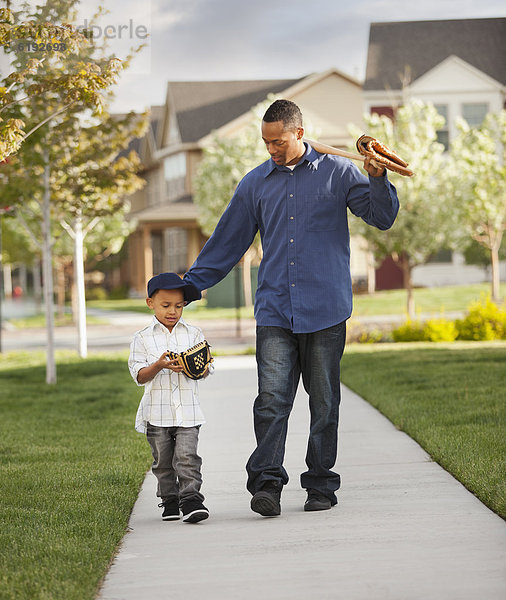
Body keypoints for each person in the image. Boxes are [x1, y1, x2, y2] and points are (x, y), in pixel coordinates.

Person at [184, 99, 399, 517]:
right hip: (276, 310)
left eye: (278, 141)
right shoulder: (255, 184)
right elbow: (229, 240)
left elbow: (382, 217)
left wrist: (378, 178)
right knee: (271, 401)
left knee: (324, 403)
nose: (272, 150)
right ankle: (266, 484)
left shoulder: (339, 172)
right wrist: (192, 285)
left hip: (326, 309)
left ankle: (320, 485)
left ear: (299, 133)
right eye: (266, 143)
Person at [128, 272, 212, 523]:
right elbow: (139, 375)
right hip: (156, 413)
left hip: (188, 411)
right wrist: (160, 365)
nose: (172, 311)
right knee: (163, 463)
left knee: (187, 458)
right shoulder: (142, 338)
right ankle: (170, 500)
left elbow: (205, 370)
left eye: (178, 306)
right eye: (166, 305)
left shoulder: (194, 334)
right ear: (150, 303)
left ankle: (192, 500)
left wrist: (194, 366)